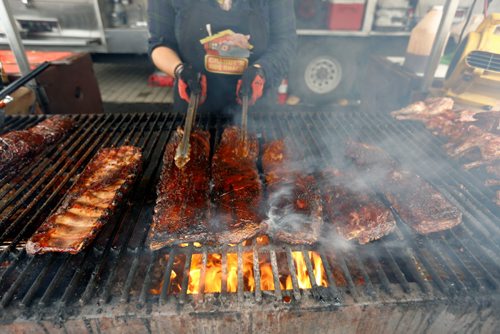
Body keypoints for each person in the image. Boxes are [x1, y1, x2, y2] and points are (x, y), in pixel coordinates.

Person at [148, 0, 297, 115]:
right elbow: (160, 43)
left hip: (256, 110)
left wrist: (262, 71)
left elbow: (285, 43)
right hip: (194, 107)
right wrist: (180, 70)